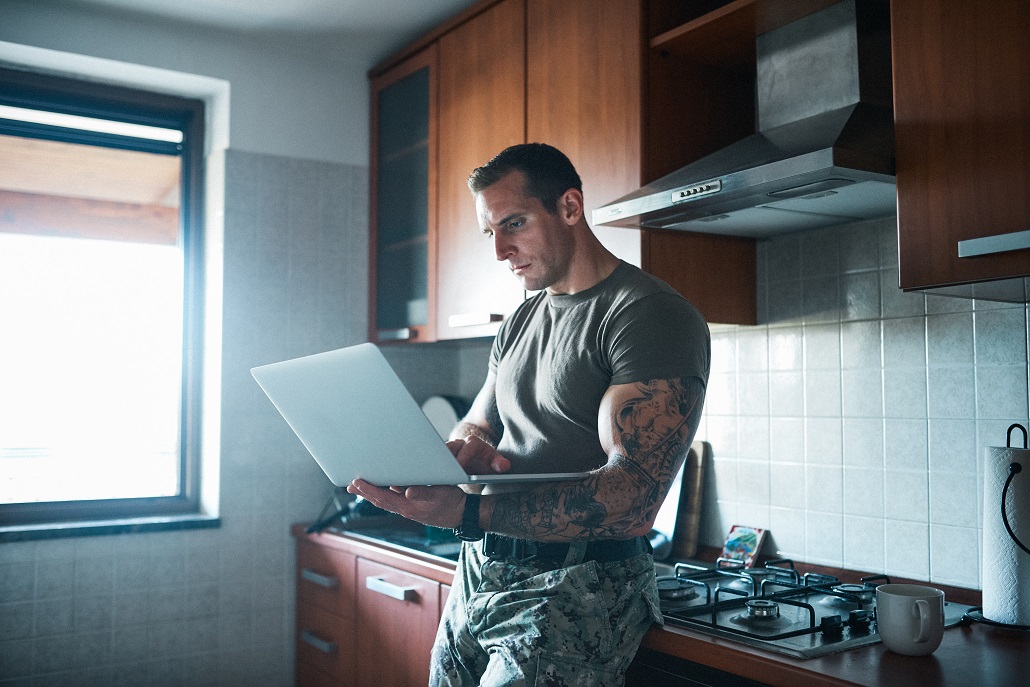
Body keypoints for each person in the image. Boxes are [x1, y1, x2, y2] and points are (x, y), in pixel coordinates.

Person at [348, 143, 710, 686]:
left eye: (514, 223)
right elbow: (479, 420)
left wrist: (468, 514)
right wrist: (462, 452)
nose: (500, 250)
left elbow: (631, 497)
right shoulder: (521, 318)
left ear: (569, 207)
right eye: (490, 232)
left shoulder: (646, 314)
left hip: (574, 586)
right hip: (480, 571)